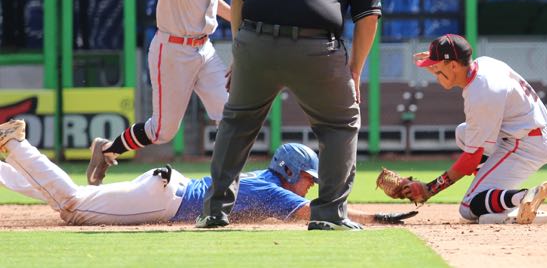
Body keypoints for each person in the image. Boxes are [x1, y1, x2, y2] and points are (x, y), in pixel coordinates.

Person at [196, 0, 381, 231]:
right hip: (316, 48)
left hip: (256, 44)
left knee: (237, 124)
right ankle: (329, 215)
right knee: (339, 125)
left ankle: (214, 211)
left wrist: (240, 50)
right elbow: (368, 17)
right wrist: (354, 70)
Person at [0, 120, 416, 226]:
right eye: (306, 176)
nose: (309, 184)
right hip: (164, 199)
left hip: (163, 189)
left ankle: (7, 161)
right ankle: (15, 143)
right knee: (72, 206)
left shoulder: (266, 182)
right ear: (288, 170)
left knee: (74, 196)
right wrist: (377, 217)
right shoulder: (273, 191)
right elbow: (321, 215)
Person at [86, 0, 230, 186]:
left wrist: (241, 17)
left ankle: (229, 182)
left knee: (230, 112)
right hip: (172, 50)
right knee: (163, 132)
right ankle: (107, 149)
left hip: (205, 49)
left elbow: (213, 2)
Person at [405, 34, 547, 224]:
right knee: (464, 133)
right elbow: (455, 71)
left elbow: (471, 159)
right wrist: (438, 63)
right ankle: (493, 193)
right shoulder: (484, 65)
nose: (434, 71)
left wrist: (430, 189)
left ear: (453, 65)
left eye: (437, 66)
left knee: (469, 207)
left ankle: (522, 198)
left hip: (528, 144)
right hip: (537, 132)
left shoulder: (481, 94)